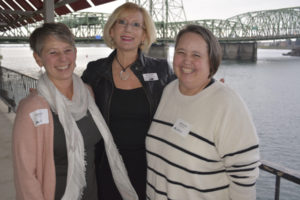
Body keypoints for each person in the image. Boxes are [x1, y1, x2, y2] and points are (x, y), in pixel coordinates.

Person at [12, 22, 137, 200]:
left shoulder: (87, 93)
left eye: (67, 50)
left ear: (75, 52)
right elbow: (25, 176)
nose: (63, 59)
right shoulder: (32, 108)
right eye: (53, 52)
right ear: (38, 59)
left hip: (91, 193)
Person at [146, 24, 260, 200]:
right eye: (181, 52)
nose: (186, 61)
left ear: (211, 61)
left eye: (196, 55)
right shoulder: (168, 91)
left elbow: (244, 178)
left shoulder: (227, 104)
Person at [81, 2, 175, 199]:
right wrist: (45, 96)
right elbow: (73, 102)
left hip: (151, 166)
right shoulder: (95, 71)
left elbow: (188, 98)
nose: (127, 29)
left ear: (144, 34)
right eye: (121, 22)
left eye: (136, 25)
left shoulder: (161, 70)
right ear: (112, 30)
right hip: (107, 165)